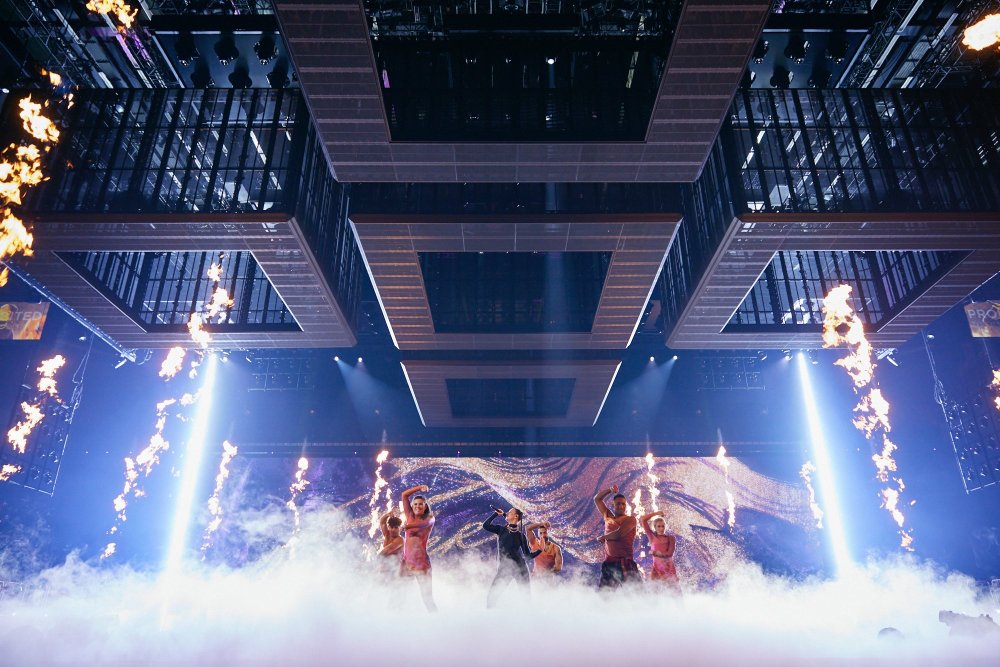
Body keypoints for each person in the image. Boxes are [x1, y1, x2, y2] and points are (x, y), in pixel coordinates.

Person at [483, 507, 540, 608]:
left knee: (526, 598)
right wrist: (496, 514)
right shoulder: (501, 530)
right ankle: (490, 617)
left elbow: (528, 556)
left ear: (516, 516)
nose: (507, 513)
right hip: (505, 568)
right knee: (492, 597)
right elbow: (486, 525)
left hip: (520, 568)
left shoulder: (521, 536)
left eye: (510, 512)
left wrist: (540, 550)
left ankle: (529, 616)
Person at [594, 484, 640, 589]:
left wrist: (604, 537)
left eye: (623, 504)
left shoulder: (630, 519)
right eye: (618, 504)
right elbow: (597, 499)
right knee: (605, 595)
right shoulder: (608, 517)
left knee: (637, 594)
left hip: (626, 563)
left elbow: (619, 534)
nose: (621, 506)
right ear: (613, 504)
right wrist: (610, 490)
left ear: (626, 505)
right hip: (609, 563)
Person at [400, 484, 437, 611]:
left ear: (425, 506)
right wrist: (419, 487)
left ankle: (438, 621)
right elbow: (404, 495)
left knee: (427, 599)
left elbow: (423, 524)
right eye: (415, 504)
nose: (417, 506)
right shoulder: (410, 515)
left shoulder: (430, 518)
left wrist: (408, 527)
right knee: (398, 596)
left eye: (421, 504)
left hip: (422, 565)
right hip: (407, 563)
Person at [640, 510, 681, 594]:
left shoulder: (670, 538)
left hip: (668, 568)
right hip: (656, 568)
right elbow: (643, 519)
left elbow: (670, 554)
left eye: (663, 526)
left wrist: (657, 553)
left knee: (674, 592)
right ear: (654, 527)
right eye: (659, 526)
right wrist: (657, 513)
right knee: (654, 592)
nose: (661, 528)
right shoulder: (651, 536)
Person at [376, 509, 403, 581]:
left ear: (400, 528)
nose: (393, 529)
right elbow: (382, 522)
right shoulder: (387, 534)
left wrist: (373, 563)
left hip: (394, 572)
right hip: (384, 570)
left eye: (396, 527)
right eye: (392, 527)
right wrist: (387, 515)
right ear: (389, 527)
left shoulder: (400, 540)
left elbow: (386, 551)